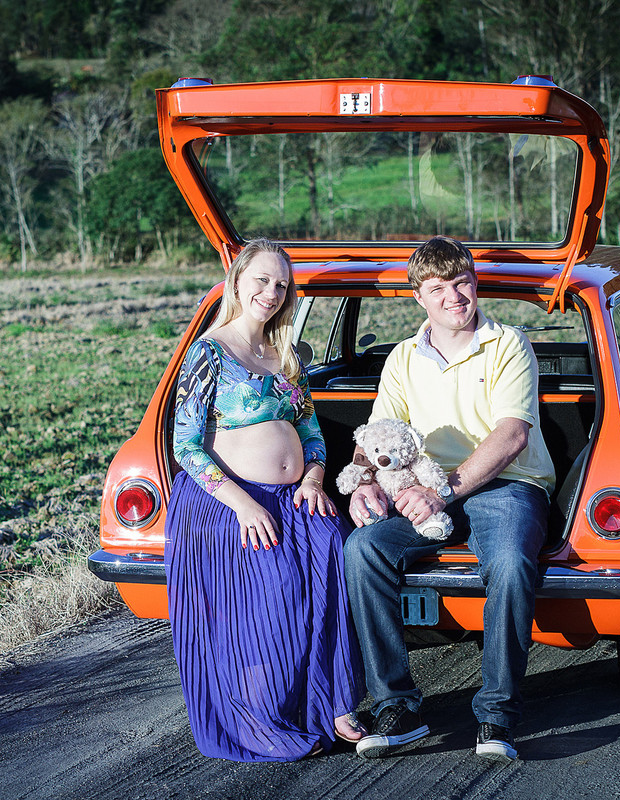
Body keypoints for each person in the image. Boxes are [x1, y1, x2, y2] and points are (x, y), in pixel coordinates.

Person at [345, 235, 555, 763]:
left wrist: (441, 493)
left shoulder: (508, 344)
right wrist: (367, 480)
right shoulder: (402, 358)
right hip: (427, 488)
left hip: (509, 484)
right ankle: (397, 706)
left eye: (461, 283)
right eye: (438, 288)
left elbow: (511, 436)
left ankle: (497, 716)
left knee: (508, 563)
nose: (453, 297)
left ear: (475, 283)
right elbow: (375, 434)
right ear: (420, 297)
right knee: (362, 550)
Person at [164, 238, 366, 762]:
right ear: (237, 282)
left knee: (334, 555)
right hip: (231, 500)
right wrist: (243, 505)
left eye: (281, 284)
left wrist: (314, 480)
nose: (272, 292)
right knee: (274, 595)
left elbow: (314, 435)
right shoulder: (209, 353)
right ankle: (262, 714)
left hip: (295, 495)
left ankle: (337, 706)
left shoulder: (285, 355)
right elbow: (184, 446)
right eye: (262, 279)